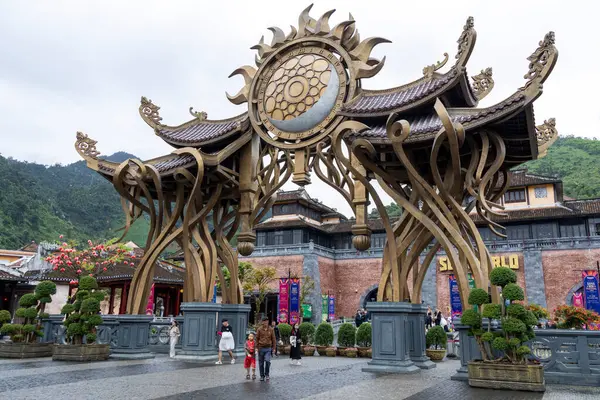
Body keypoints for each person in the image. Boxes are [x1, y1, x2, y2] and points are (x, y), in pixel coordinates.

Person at [255, 316, 276, 382]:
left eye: (267, 321)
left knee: (267, 361)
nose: (266, 322)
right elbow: (257, 339)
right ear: (262, 322)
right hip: (261, 348)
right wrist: (256, 348)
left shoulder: (271, 329)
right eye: (264, 321)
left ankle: (267, 374)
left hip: (268, 348)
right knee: (261, 363)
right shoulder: (259, 329)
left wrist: (274, 348)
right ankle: (262, 376)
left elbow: (274, 339)